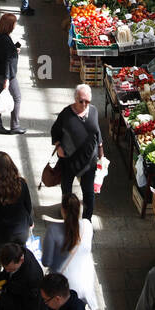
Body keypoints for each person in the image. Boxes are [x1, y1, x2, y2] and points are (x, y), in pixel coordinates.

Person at [50, 85, 103, 222]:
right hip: (69, 161)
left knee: (89, 193)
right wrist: (58, 146)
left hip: (89, 162)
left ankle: (87, 220)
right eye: (81, 101)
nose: (84, 104)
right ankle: (67, 216)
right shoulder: (66, 114)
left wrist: (101, 149)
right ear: (75, 99)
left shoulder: (93, 111)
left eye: (87, 101)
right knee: (66, 190)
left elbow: (97, 132)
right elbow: (55, 131)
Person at [41, 194, 97, 310]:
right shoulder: (87, 226)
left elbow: (46, 262)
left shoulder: (53, 230)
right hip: (83, 285)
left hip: (62, 288)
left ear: (62, 210)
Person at [0, 152, 32, 276]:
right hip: (21, 231)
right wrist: (30, 222)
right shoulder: (21, 183)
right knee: (20, 256)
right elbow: (28, 206)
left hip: (3, 233)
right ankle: (19, 277)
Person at [0, 12, 24, 135]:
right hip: (6, 74)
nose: (15, 25)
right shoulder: (5, 39)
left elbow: (4, 55)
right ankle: (15, 126)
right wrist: (7, 79)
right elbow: (7, 61)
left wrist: (14, 50)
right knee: (17, 97)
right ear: (10, 25)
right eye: (14, 23)